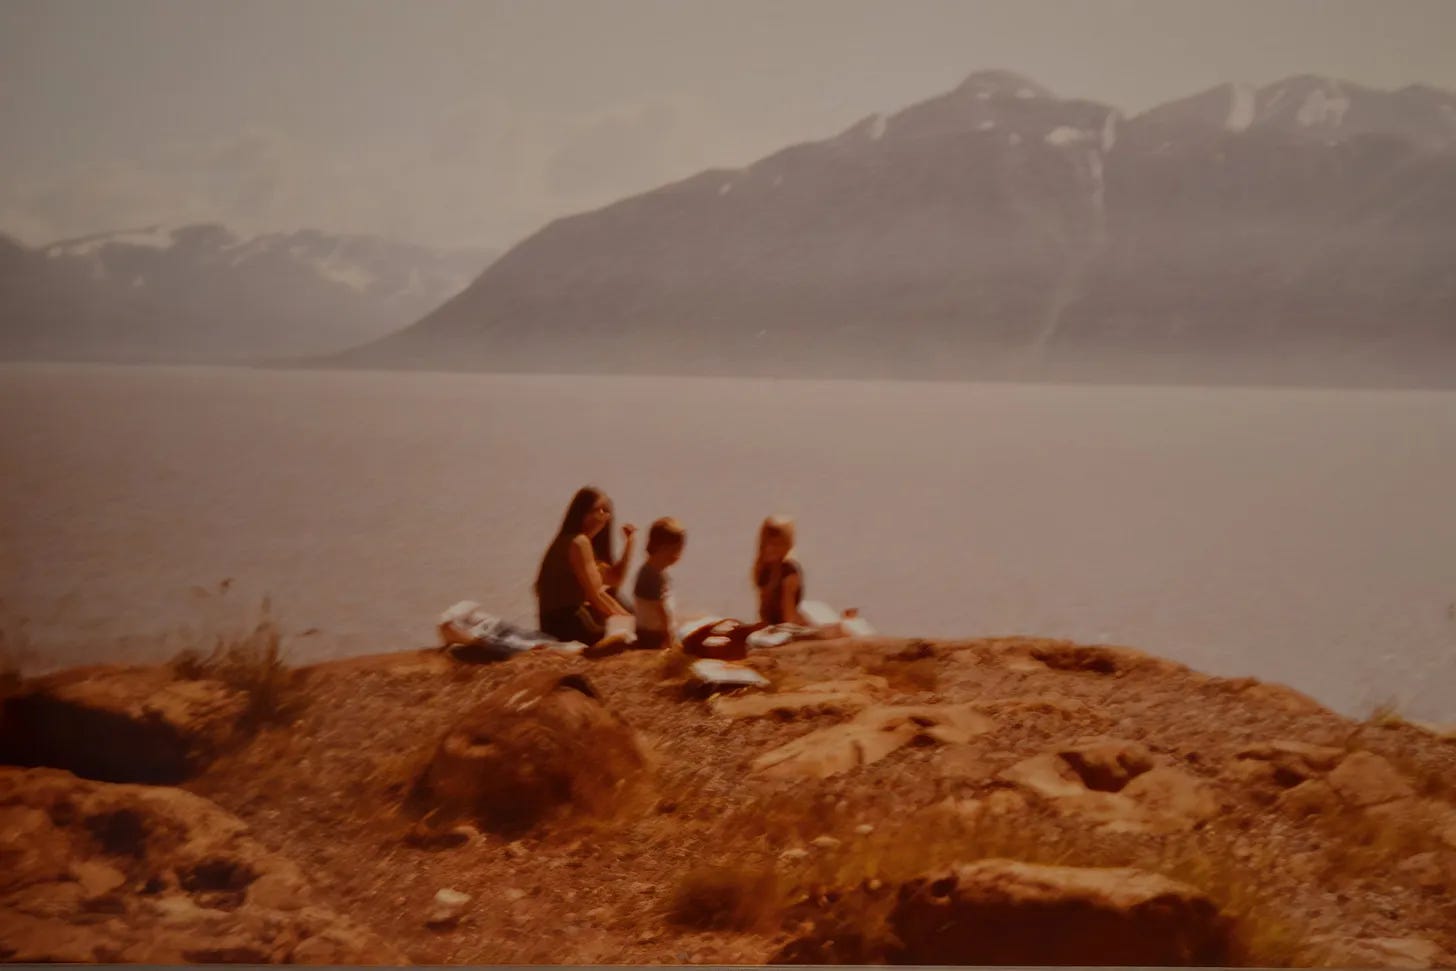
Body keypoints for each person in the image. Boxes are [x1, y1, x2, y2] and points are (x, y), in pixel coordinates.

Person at [535, 486, 634, 646]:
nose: (604, 516)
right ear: (582, 513)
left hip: (551, 623)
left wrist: (627, 618)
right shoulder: (579, 542)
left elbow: (603, 591)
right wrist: (628, 622)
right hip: (568, 622)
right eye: (598, 510)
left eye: (606, 511)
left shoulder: (570, 540)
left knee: (628, 622)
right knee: (624, 639)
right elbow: (594, 597)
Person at [633, 517, 686, 651]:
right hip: (654, 634)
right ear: (661, 548)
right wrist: (668, 633)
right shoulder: (651, 575)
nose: (678, 556)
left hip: (652, 631)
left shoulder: (654, 571)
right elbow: (660, 608)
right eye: (675, 550)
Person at [753, 515, 808, 626]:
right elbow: (786, 616)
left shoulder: (782, 571)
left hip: (775, 626)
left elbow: (785, 616)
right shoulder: (778, 571)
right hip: (776, 628)